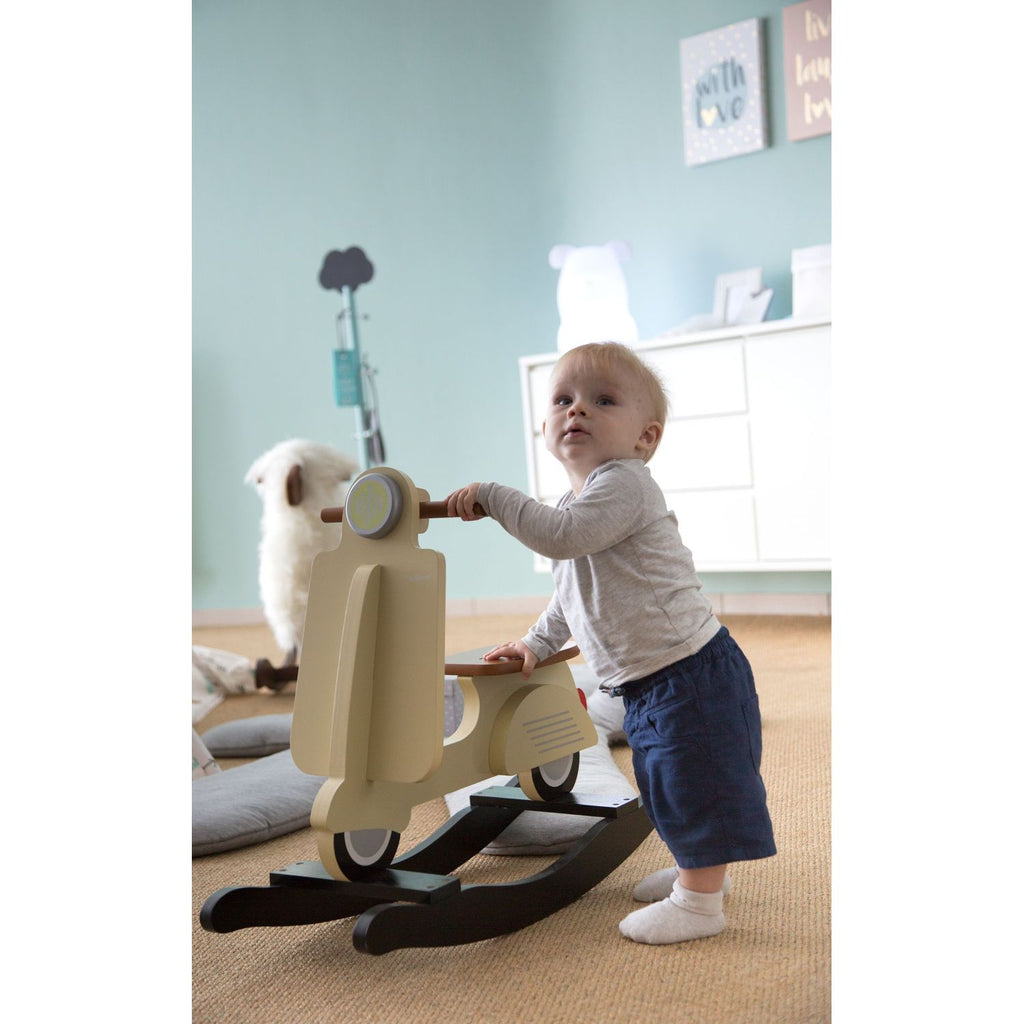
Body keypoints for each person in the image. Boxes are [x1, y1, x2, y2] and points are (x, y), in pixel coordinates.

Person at [446, 341, 776, 945]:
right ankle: (697, 871)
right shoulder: (577, 503)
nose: (577, 410)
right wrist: (535, 642)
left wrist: (494, 496)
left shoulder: (625, 484)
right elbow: (571, 592)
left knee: (694, 784)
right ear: (546, 428)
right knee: (664, 782)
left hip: (689, 671)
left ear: (645, 437)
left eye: (602, 400)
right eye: (563, 400)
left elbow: (560, 538)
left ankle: (700, 905)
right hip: (647, 680)